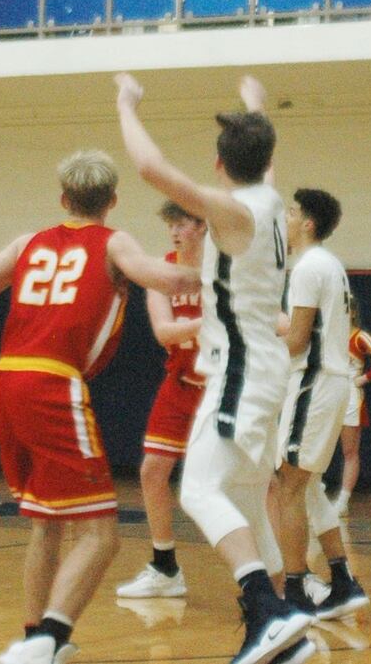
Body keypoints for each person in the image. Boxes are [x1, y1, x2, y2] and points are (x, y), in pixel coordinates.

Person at [0, 150, 198, 664]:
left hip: (3, 381)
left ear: (63, 199)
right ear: (114, 200)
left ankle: (34, 634)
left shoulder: (27, 241)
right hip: (53, 384)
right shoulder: (113, 240)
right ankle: (49, 640)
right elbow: (166, 279)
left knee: (46, 520)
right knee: (102, 535)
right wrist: (230, 273)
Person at [115, 72, 315, 664]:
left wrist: (126, 104)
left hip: (241, 370)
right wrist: (255, 104)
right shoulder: (270, 199)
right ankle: (284, 631)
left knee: (200, 489)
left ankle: (266, 612)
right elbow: (265, 159)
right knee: (249, 501)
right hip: (263, 367)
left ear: (219, 163)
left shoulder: (229, 210)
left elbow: (153, 168)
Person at [275, 187, 369, 619]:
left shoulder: (308, 267)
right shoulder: (328, 264)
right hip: (331, 382)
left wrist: (258, 339)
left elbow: (296, 341)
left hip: (314, 381)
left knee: (288, 485)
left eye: (292, 212)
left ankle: (293, 589)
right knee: (307, 484)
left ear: (308, 223)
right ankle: (343, 580)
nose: (286, 218)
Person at [116, 202, 206, 600]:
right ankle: (165, 566)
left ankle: (283, 571)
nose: (173, 231)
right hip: (182, 383)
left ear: (202, 227)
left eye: (181, 224)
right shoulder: (162, 273)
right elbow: (163, 332)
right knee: (153, 470)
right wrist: (210, 322)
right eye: (169, 224)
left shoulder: (224, 269)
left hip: (223, 386)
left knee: (256, 483)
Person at [331, 308, 371, 516]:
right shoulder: (328, 333)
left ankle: (343, 501)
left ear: (353, 312)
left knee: (349, 451)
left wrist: (363, 378)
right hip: (328, 393)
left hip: (351, 397)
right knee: (320, 447)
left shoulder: (360, 337)